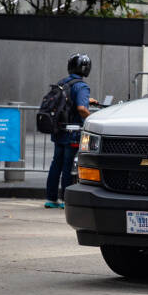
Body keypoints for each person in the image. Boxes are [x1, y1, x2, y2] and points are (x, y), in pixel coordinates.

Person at [44, 53, 97, 208]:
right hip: (72, 133)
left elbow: (68, 101)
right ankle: (65, 200)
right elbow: (81, 108)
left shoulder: (63, 82)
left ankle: (51, 198)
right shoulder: (82, 86)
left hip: (59, 129)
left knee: (56, 163)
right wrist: (93, 119)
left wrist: (87, 100)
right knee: (68, 166)